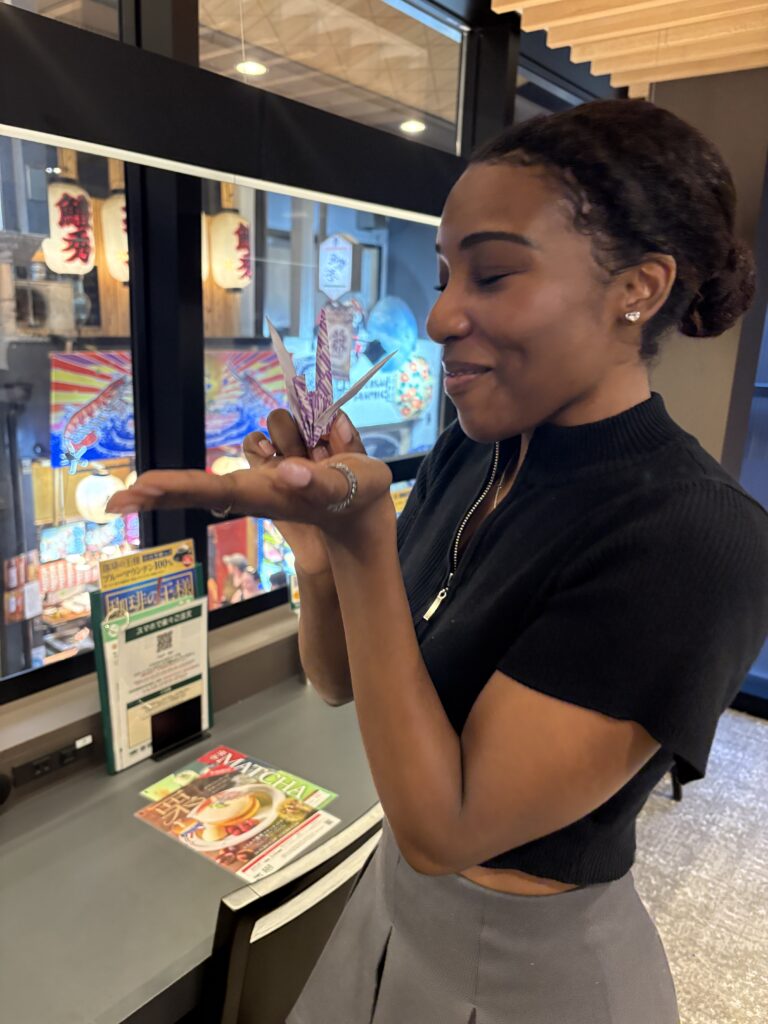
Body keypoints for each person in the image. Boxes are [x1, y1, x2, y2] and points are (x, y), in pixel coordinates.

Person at [108, 99, 768, 1023]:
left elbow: (444, 826)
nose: (437, 318)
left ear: (639, 288)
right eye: (445, 273)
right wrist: (320, 552)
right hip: (391, 914)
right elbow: (340, 682)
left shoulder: (694, 537)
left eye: (492, 275)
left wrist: (368, 538)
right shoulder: (476, 451)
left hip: (527, 972)